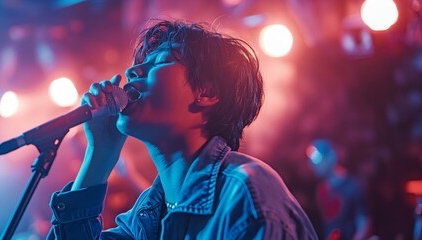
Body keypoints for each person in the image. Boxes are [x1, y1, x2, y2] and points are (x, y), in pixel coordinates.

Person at [47, 20, 317, 239]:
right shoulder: (147, 217)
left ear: (207, 92)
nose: (133, 71)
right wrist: (100, 155)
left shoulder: (246, 196)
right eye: (139, 63)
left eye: (159, 62)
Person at [307, 139, 370, 240]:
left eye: (318, 159)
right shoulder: (321, 190)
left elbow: (363, 221)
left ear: (331, 157)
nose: (313, 165)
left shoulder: (352, 186)